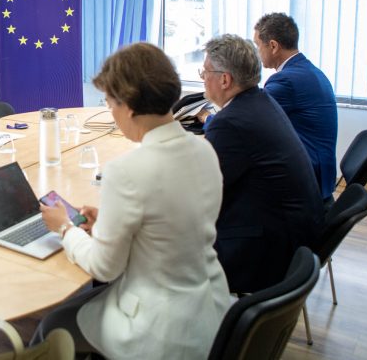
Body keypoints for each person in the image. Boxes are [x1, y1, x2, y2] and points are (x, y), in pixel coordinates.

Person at [33, 43, 229, 359]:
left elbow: (103, 267)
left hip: (156, 329)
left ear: (128, 105)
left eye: (109, 102)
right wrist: (109, 221)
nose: (110, 111)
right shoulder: (204, 150)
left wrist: (65, 228)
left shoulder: (126, 171)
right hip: (209, 310)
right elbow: (169, 222)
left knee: (51, 326)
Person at [201, 34, 324, 293]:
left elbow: (203, 192)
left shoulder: (230, 123)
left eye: (205, 72)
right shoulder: (260, 101)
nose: (203, 78)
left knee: (165, 241)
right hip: (294, 237)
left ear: (224, 79)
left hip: (269, 250)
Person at [254, 13, 338, 202]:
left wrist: (208, 118)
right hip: (321, 174)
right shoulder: (309, 71)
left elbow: (250, 116)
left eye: (258, 45)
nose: (257, 52)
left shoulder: (286, 80)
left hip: (305, 179)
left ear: (273, 46)